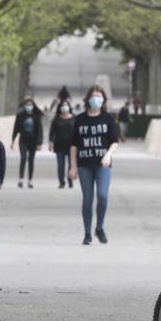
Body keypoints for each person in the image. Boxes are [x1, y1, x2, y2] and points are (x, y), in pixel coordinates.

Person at [69, 86, 120, 245]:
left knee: (103, 196)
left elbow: (114, 142)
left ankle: (99, 227)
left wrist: (108, 155)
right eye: (93, 96)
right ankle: (87, 233)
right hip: (84, 164)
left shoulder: (108, 118)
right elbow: (73, 145)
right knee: (87, 199)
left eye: (99, 96)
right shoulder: (80, 119)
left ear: (103, 100)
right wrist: (73, 166)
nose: (96, 99)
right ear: (88, 99)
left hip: (103, 164)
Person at [11, 97, 43, 188]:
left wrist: (39, 143)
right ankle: (20, 179)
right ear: (24, 106)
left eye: (30, 105)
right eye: (27, 105)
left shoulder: (37, 115)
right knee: (23, 158)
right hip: (23, 140)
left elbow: (40, 130)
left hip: (33, 140)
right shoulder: (20, 115)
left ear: (33, 106)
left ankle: (30, 180)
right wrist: (13, 140)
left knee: (31, 160)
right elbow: (16, 128)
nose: (29, 106)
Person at [49, 98, 76, 188]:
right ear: (60, 107)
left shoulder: (74, 118)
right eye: (63, 105)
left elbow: (78, 132)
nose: (65, 107)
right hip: (59, 145)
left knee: (71, 163)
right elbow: (52, 132)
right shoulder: (56, 119)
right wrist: (50, 142)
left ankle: (70, 180)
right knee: (60, 165)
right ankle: (61, 182)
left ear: (69, 107)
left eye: (66, 105)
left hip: (71, 145)